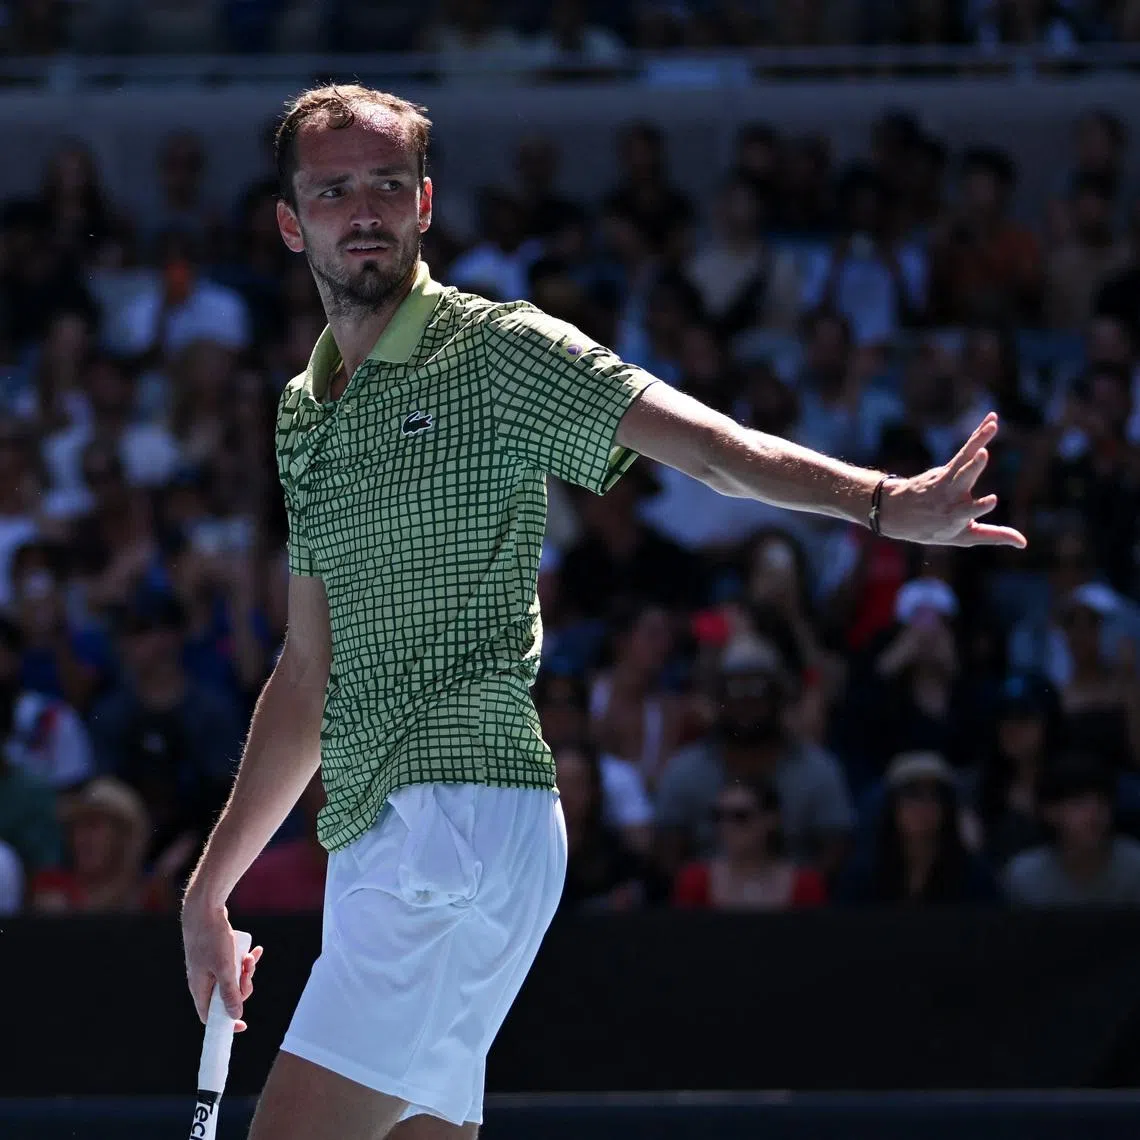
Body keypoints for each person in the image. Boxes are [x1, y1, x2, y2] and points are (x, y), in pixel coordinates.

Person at [178, 84, 1024, 1140]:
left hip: (453, 817)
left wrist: (882, 501)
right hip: (392, 834)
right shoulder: (304, 414)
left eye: (388, 185)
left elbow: (708, 446)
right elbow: (307, 673)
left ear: (425, 204)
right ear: (291, 221)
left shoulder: (496, 350)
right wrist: (211, 889)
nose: (365, 209)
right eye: (335, 188)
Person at [836, 751, 1000, 905]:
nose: (923, 806)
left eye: (935, 795)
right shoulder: (861, 879)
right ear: (892, 807)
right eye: (912, 794)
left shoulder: (975, 878)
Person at [673, 775, 827, 910]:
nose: (726, 826)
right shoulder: (694, 881)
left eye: (740, 816)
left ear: (771, 819)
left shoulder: (806, 884)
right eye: (718, 816)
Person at [1003, 754, 1140, 906]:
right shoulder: (1024, 877)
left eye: (1102, 802)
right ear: (1050, 811)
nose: (1094, 814)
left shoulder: (1135, 866)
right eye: (1079, 803)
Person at [29, 776, 178, 913]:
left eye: (93, 826)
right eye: (76, 827)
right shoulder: (52, 886)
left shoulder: (151, 896)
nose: (82, 838)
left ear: (123, 837)